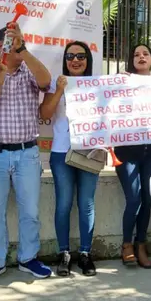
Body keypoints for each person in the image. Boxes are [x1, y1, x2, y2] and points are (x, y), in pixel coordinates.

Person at [0, 21, 53, 283]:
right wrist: (1, 73)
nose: (8, 49)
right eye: (4, 45)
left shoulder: (30, 73)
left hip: (26, 153)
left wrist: (24, 50)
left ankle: (29, 258)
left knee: (30, 211)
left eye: (13, 44)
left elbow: (46, 80)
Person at [40, 41, 99, 277]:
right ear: (65, 60)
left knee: (86, 204)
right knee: (64, 203)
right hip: (61, 151)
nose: (75, 60)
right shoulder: (56, 83)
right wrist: (61, 90)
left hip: (90, 151)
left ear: (88, 60)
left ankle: (85, 253)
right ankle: (63, 254)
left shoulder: (98, 85)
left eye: (81, 56)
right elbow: (44, 114)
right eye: (70, 56)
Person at [115, 43, 151, 269]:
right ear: (131, 61)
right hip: (126, 150)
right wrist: (117, 84)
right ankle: (126, 245)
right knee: (134, 198)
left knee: (148, 198)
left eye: (145, 54)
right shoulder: (121, 81)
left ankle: (141, 244)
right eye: (136, 54)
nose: (141, 57)